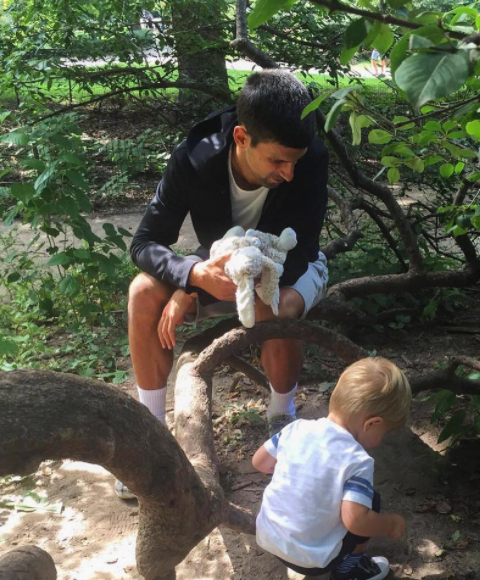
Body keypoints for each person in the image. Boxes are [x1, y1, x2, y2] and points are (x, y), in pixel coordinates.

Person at [117, 69, 329, 499]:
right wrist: (193, 275)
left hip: (292, 269)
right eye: (277, 161)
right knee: (142, 292)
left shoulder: (310, 158)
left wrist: (189, 289)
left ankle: (280, 419)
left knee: (278, 303)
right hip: (217, 268)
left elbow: (300, 250)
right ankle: (152, 436)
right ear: (240, 137)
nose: (289, 172)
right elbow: (143, 243)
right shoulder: (196, 155)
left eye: (295, 161)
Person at [252, 357, 411, 580]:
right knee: (370, 501)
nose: (381, 441)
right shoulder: (358, 461)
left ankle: (301, 545)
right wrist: (391, 523)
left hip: (269, 537)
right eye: (384, 433)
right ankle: (348, 570)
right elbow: (356, 521)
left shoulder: (296, 428)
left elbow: (259, 462)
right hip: (314, 561)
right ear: (371, 424)